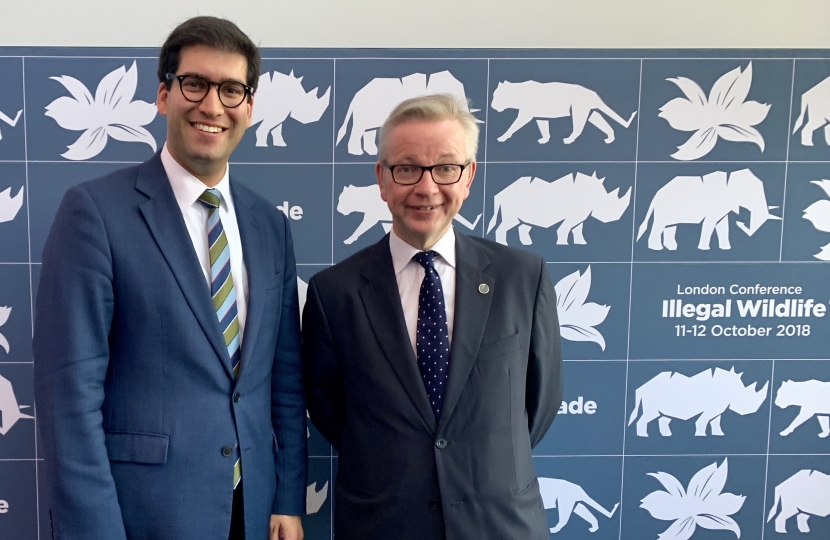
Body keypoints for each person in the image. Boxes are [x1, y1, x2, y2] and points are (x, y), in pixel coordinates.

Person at [33, 16, 306, 540]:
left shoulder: (270, 226)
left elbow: (284, 381)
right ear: (163, 95)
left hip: (252, 513)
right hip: (141, 516)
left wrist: (288, 498)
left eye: (232, 89)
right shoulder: (95, 212)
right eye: (194, 84)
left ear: (249, 107)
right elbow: (69, 397)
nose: (212, 106)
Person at [303, 94, 563, 540]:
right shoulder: (334, 293)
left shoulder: (524, 276)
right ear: (382, 179)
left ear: (468, 177)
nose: (426, 188)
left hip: (499, 524)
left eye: (446, 168)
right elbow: (331, 411)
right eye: (407, 169)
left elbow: (539, 403)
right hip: (383, 525)